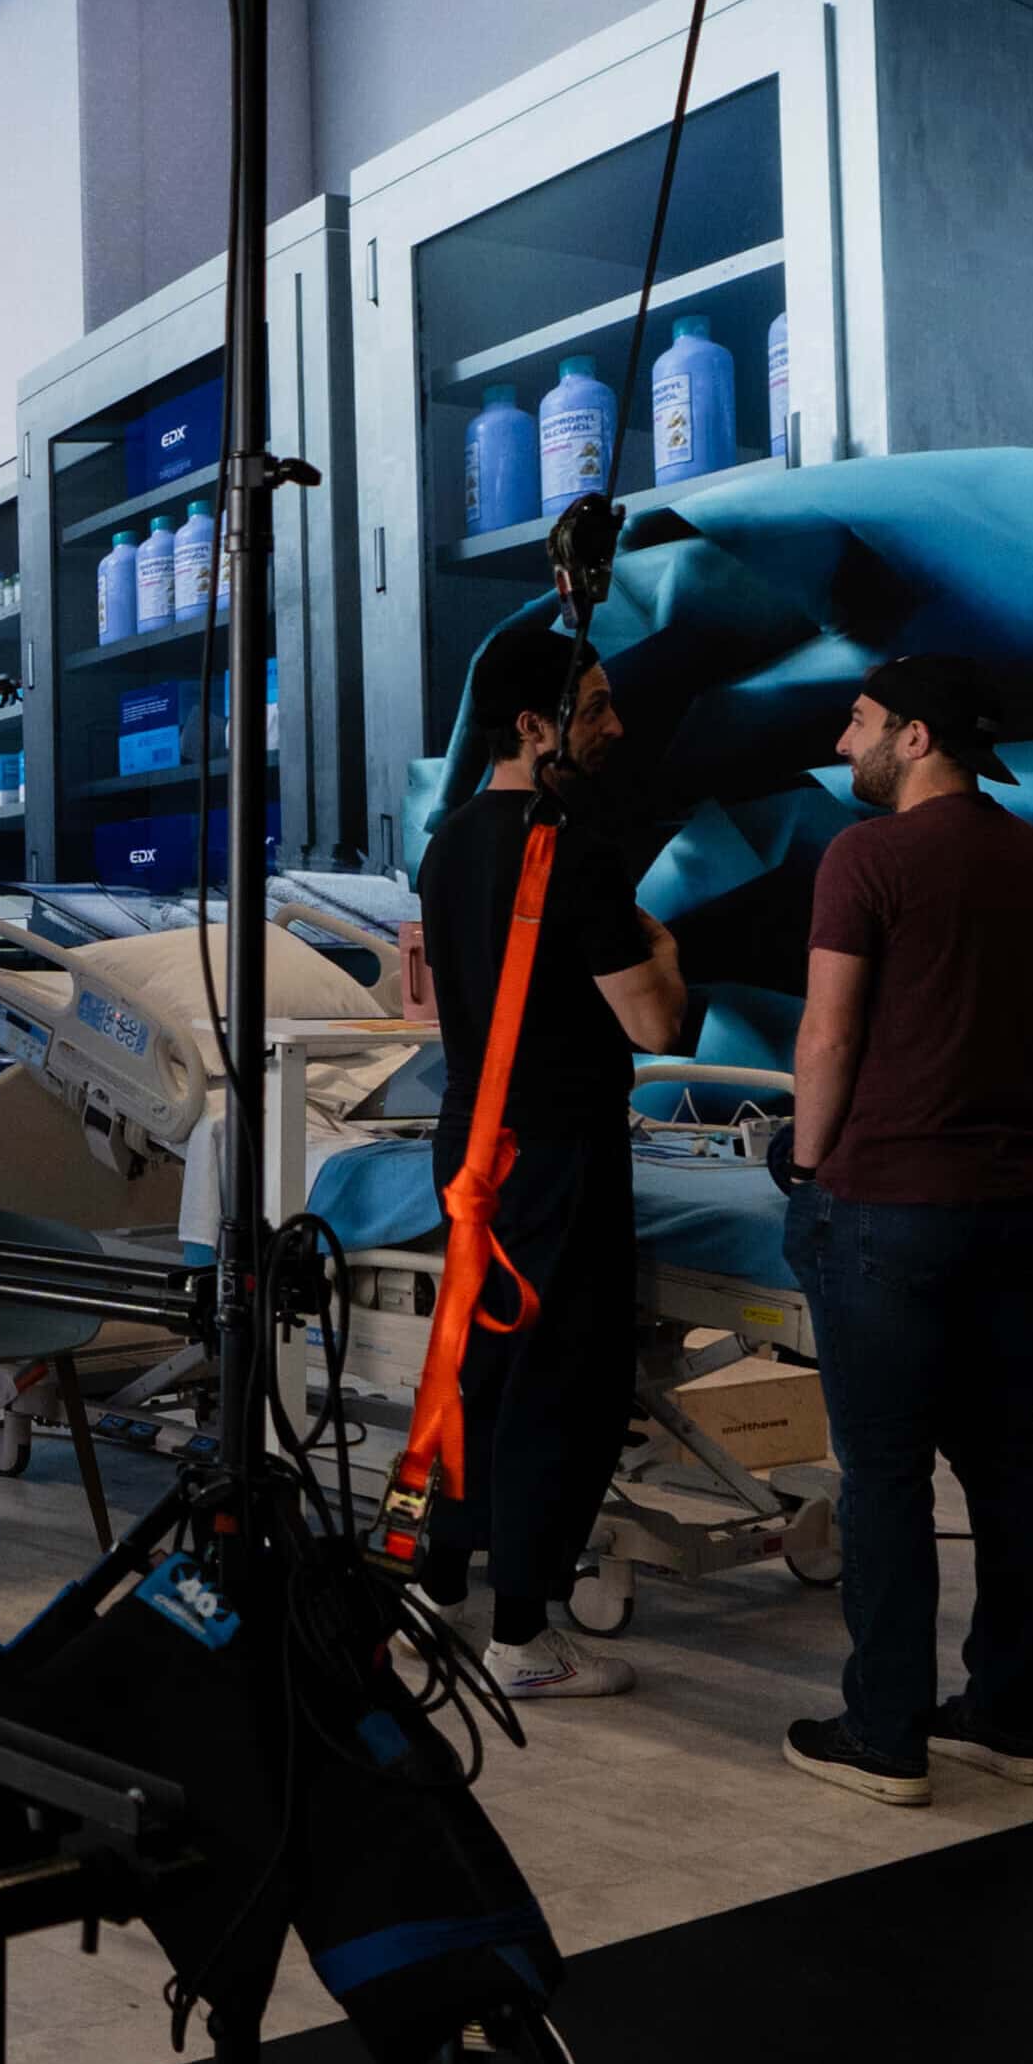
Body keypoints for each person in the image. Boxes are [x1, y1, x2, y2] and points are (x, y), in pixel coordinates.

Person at [779, 656, 1033, 1808]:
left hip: (886, 1205)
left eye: (858, 718)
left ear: (914, 736)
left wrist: (806, 1168)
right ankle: (1014, 1719)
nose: (841, 733)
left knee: (886, 1472)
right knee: (1007, 1459)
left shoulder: (868, 857)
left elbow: (830, 1037)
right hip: (1010, 1205)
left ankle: (885, 1732)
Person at [398, 626, 699, 1698]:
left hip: (474, 1142)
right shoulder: (570, 842)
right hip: (560, 1151)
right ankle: (523, 1636)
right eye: (598, 707)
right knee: (556, 1386)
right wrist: (663, 946)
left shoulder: (448, 846)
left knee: (473, 1367)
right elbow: (655, 1015)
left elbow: (444, 1008)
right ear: (535, 723)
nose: (616, 726)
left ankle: (432, 1581)